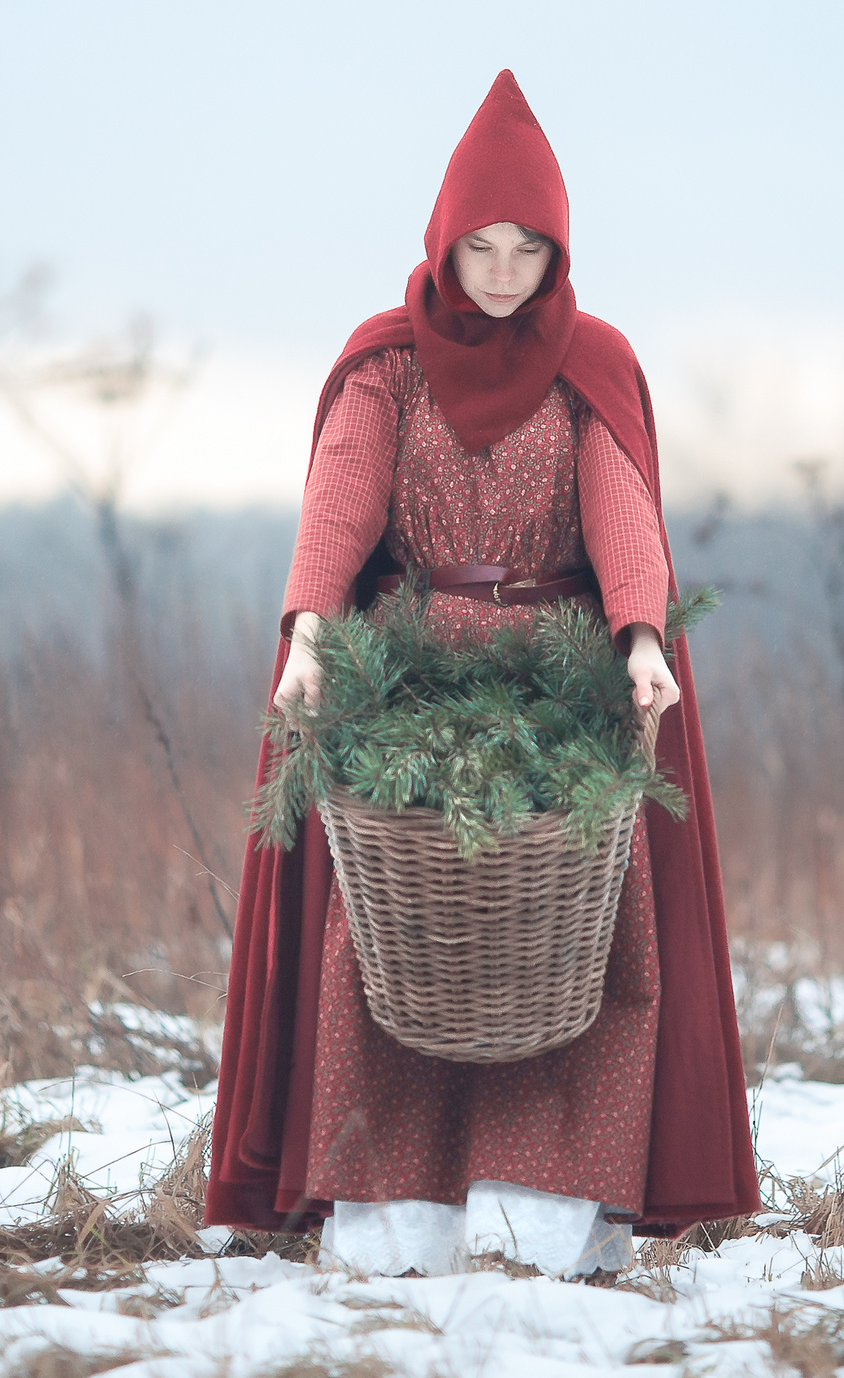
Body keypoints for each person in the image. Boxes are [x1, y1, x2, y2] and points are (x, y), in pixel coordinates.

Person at [204, 70, 760, 1277]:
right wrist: (308, 630)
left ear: (558, 255)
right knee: (389, 925)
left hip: (555, 679)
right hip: (406, 675)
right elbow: (342, 499)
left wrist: (642, 638)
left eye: (527, 250)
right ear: (442, 240)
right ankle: (390, 1203)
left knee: (570, 927)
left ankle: (543, 1207)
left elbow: (622, 513)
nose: (502, 274)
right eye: (481, 247)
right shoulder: (385, 367)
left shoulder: (589, 364)